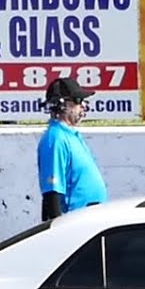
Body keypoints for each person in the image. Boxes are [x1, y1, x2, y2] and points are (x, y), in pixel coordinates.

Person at [38, 76, 107, 221]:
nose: (83, 106)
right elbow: (52, 193)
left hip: (88, 220)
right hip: (75, 223)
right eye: (77, 101)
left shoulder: (71, 135)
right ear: (62, 105)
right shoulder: (55, 138)